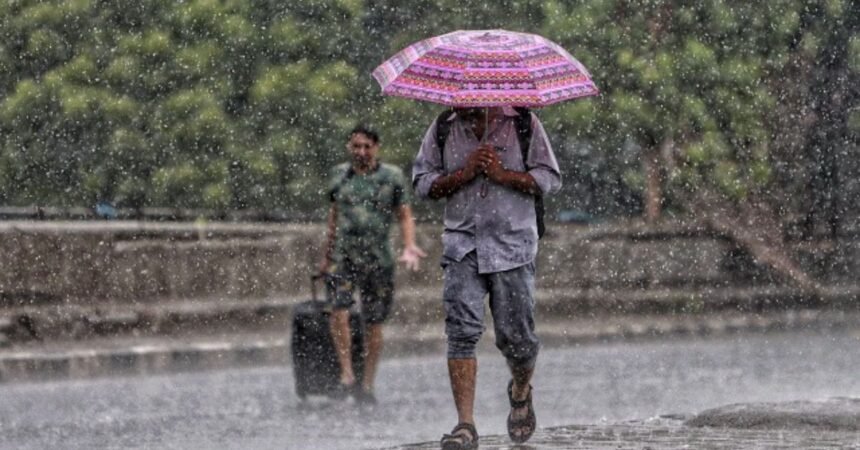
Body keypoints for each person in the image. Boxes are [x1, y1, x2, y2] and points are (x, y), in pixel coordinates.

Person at [412, 106, 561, 448]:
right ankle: (465, 425)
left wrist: (502, 174)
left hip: (513, 246)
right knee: (461, 332)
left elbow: (548, 178)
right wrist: (462, 174)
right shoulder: (442, 127)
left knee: (518, 339)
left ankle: (520, 391)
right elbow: (422, 183)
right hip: (462, 246)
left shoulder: (523, 123)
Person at [318, 124, 426, 406]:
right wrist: (326, 256)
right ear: (348, 147)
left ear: (376, 148)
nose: (362, 152)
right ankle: (346, 375)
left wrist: (409, 245)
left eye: (367, 146)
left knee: (374, 321)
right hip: (344, 257)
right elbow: (334, 215)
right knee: (338, 310)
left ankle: (367, 382)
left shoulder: (391, 177)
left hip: (378, 259)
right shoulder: (339, 176)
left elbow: (404, 214)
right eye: (357, 146)